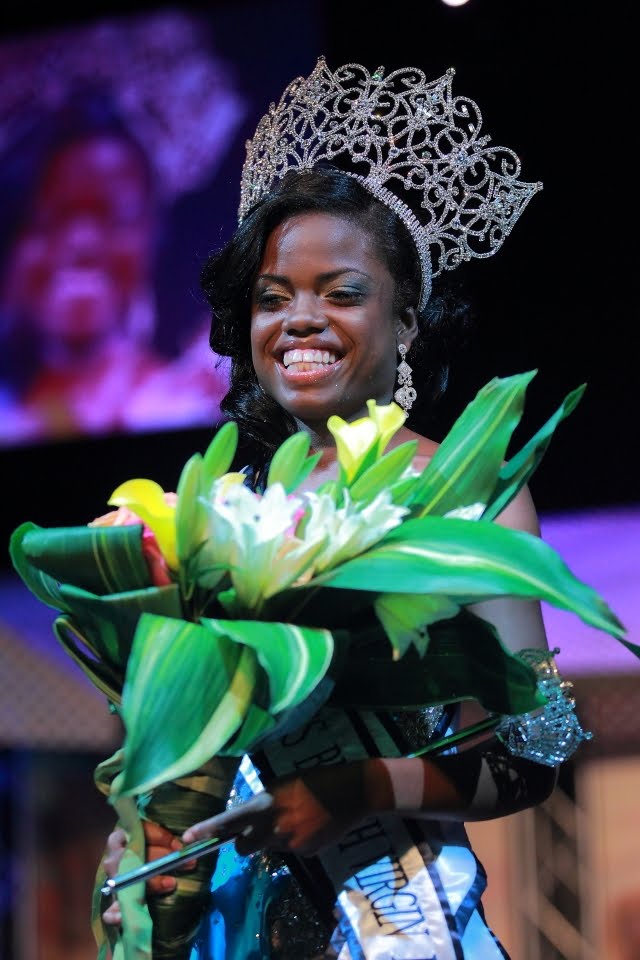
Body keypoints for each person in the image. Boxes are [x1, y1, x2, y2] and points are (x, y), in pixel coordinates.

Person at [100, 57, 584, 959]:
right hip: (230, 925)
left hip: (398, 923)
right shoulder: (226, 511)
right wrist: (145, 840)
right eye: (272, 298)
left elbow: (535, 754)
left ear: (406, 322)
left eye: (342, 293)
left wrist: (354, 790)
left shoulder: (466, 491)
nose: (300, 320)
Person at [0, 83, 229, 445]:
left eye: (116, 215)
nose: (83, 242)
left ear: (152, 235)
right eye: (53, 216)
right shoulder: (9, 416)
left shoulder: (188, 405)